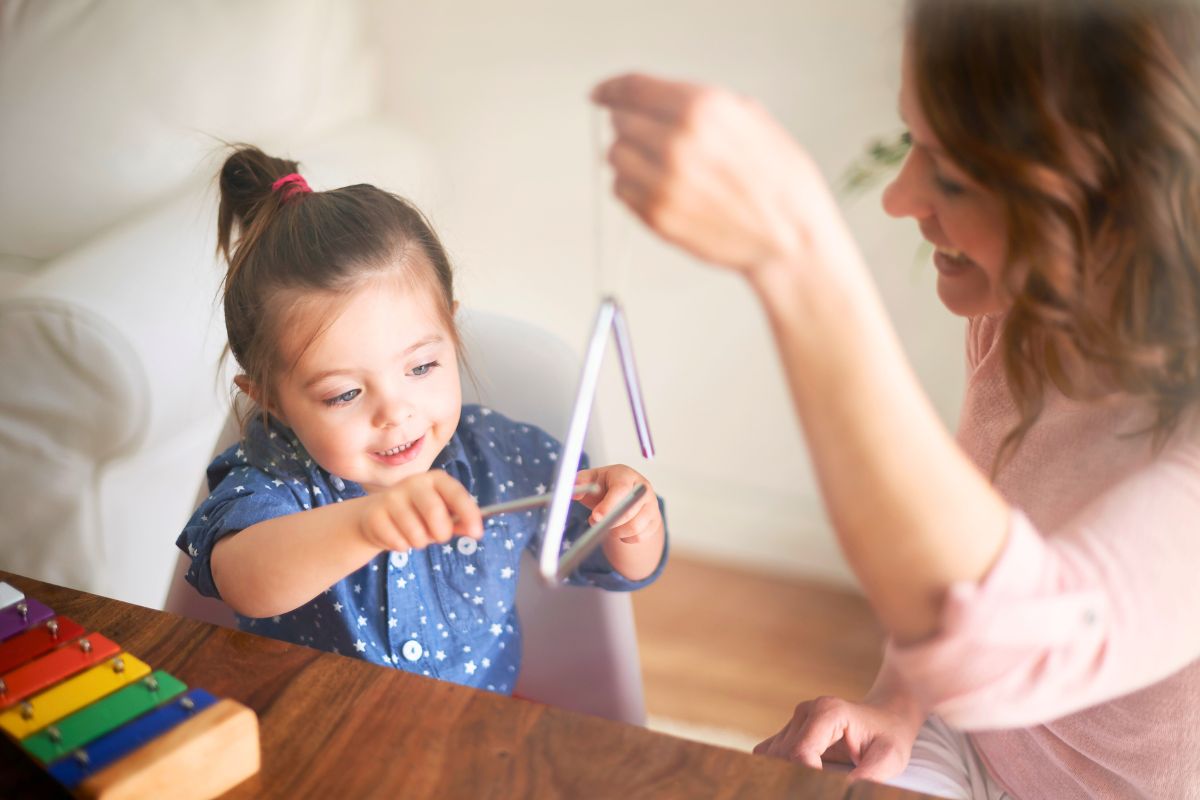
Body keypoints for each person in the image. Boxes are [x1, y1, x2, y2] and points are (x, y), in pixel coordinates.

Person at [592, 0, 1200, 797]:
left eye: (950, 172)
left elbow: (1019, 643)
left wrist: (797, 252)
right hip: (979, 742)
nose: (900, 196)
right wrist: (900, 702)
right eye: (914, 141)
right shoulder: (1029, 316)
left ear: (1118, 197)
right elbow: (964, 537)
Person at [176, 146, 667, 694]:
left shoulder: (504, 458)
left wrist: (630, 519)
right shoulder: (272, 475)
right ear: (269, 400)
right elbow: (245, 580)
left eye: (422, 366)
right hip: (309, 743)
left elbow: (619, 562)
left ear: (452, 335)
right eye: (344, 394)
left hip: (466, 743)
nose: (395, 411)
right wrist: (366, 524)